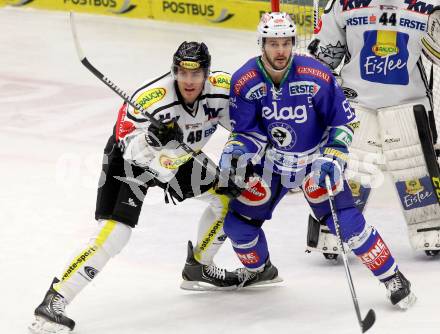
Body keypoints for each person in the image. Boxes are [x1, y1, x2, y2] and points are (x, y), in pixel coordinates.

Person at [29, 41, 241, 334]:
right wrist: (151, 139)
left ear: (206, 72)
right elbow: (125, 142)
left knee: (228, 196)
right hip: (132, 162)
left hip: (177, 158)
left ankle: (200, 267)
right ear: (174, 71)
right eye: (182, 73)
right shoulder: (151, 97)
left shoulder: (220, 90)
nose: (189, 81)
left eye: (196, 74)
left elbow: (244, 129)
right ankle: (54, 300)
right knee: (116, 233)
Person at [215, 12, 416, 309]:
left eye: (286, 43)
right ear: (262, 44)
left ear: (293, 43)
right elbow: (247, 131)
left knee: (347, 225)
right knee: (237, 226)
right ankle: (260, 271)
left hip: (314, 163)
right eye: (273, 43)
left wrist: (333, 157)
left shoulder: (316, 74)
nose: (280, 50)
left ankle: (393, 277)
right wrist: (236, 153)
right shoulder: (245, 80)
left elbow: (343, 124)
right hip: (272, 166)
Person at [305, 0, 440, 259]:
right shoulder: (343, 3)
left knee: (415, 172)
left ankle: (429, 228)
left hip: (409, 103)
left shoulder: (431, 4)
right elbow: (323, 57)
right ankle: (333, 229)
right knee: (351, 170)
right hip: (356, 103)